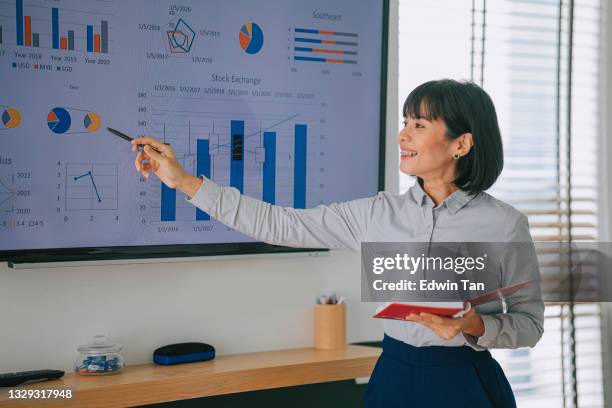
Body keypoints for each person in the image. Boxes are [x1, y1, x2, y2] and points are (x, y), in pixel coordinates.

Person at [132, 79, 543, 407]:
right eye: (404, 122)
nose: (403, 134)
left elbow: (529, 324)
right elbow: (280, 224)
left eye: (419, 125)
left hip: (466, 382)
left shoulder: (505, 225)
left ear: (461, 144)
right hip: (394, 376)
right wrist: (184, 182)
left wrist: (476, 325)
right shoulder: (378, 213)